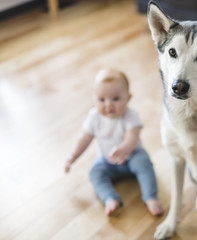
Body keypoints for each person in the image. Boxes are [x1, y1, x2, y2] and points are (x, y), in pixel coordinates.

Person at [65, 69, 163, 216]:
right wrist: (73, 156)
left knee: (144, 164)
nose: (108, 104)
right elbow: (84, 139)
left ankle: (150, 197)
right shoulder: (94, 117)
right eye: (102, 99)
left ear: (128, 98)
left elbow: (132, 137)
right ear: (94, 99)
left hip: (132, 157)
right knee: (95, 173)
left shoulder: (131, 115)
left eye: (116, 99)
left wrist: (124, 149)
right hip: (107, 161)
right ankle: (110, 198)